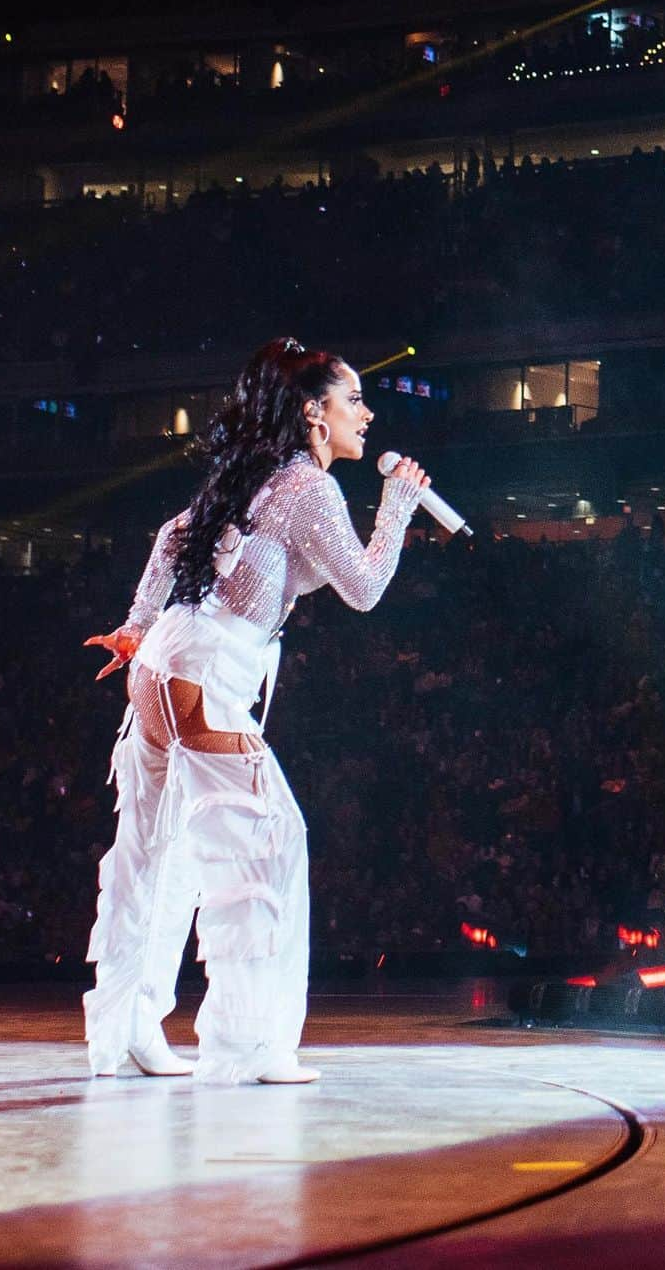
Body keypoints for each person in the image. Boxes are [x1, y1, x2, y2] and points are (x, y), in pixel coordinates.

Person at [82, 336, 428, 1084]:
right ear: (314, 413)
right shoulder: (306, 487)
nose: (366, 415)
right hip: (205, 670)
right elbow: (365, 588)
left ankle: (130, 1030)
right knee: (269, 845)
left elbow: (175, 540)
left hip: (166, 666)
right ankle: (249, 1048)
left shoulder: (255, 481)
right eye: (353, 400)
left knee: (157, 856)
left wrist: (138, 627)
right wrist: (397, 505)